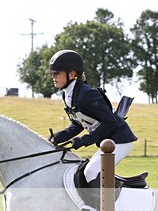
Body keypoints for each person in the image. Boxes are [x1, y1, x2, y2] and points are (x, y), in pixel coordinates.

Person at [46, 50, 137, 191]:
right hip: (107, 141)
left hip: (120, 140)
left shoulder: (87, 94)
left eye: (57, 73)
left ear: (72, 74)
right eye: (53, 74)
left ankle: (109, 204)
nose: (53, 76)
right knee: (83, 171)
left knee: (91, 172)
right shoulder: (68, 95)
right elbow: (79, 123)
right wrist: (61, 136)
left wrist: (84, 140)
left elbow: (110, 122)